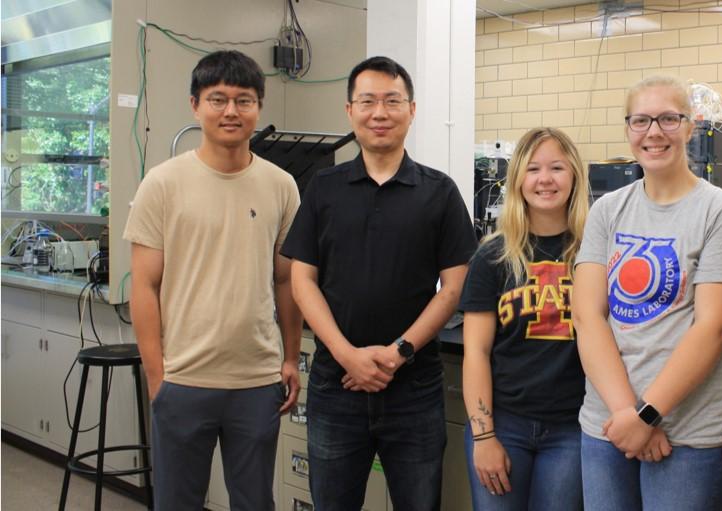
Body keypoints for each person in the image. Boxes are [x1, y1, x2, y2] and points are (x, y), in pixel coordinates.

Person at [281, 55, 477, 511]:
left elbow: (453, 287)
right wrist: (347, 354)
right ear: (350, 111)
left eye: (392, 100)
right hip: (336, 385)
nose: (380, 112)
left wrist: (398, 352)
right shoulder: (323, 188)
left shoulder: (439, 192)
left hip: (414, 386)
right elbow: (302, 280)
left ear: (411, 110)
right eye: (367, 101)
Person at [126, 50, 302, 510]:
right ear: (195, 105)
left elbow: (286, 282)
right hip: (183, 379)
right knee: (177, 502)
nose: (231, 111)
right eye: (217, 99)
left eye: (243, 100)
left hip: (257, 381)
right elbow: (143, 286)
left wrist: (289, 356)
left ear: (259, 107)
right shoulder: (162, 184)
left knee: (254, 502)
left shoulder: (282, 185)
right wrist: (157, 376)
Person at [573, 75, 722, 510]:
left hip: (690, 433)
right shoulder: (607, 210)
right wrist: (626, 416)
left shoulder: (719, 211)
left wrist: (648, 415)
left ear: (691, 127)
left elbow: (714, 327)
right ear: (628, 129)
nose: (654, 132)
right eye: (641, 120)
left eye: (669, 119)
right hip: (608, 426)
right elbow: (587, 316)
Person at [459, 127, 590, 510]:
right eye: (533, 169)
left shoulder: (596, 251)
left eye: (557, 168)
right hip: (504, 424)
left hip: (575, 427)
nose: (545, 179)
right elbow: (476, 353)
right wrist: (484, 438)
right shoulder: (493, 257)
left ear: (575, 177)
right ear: (517, 179)